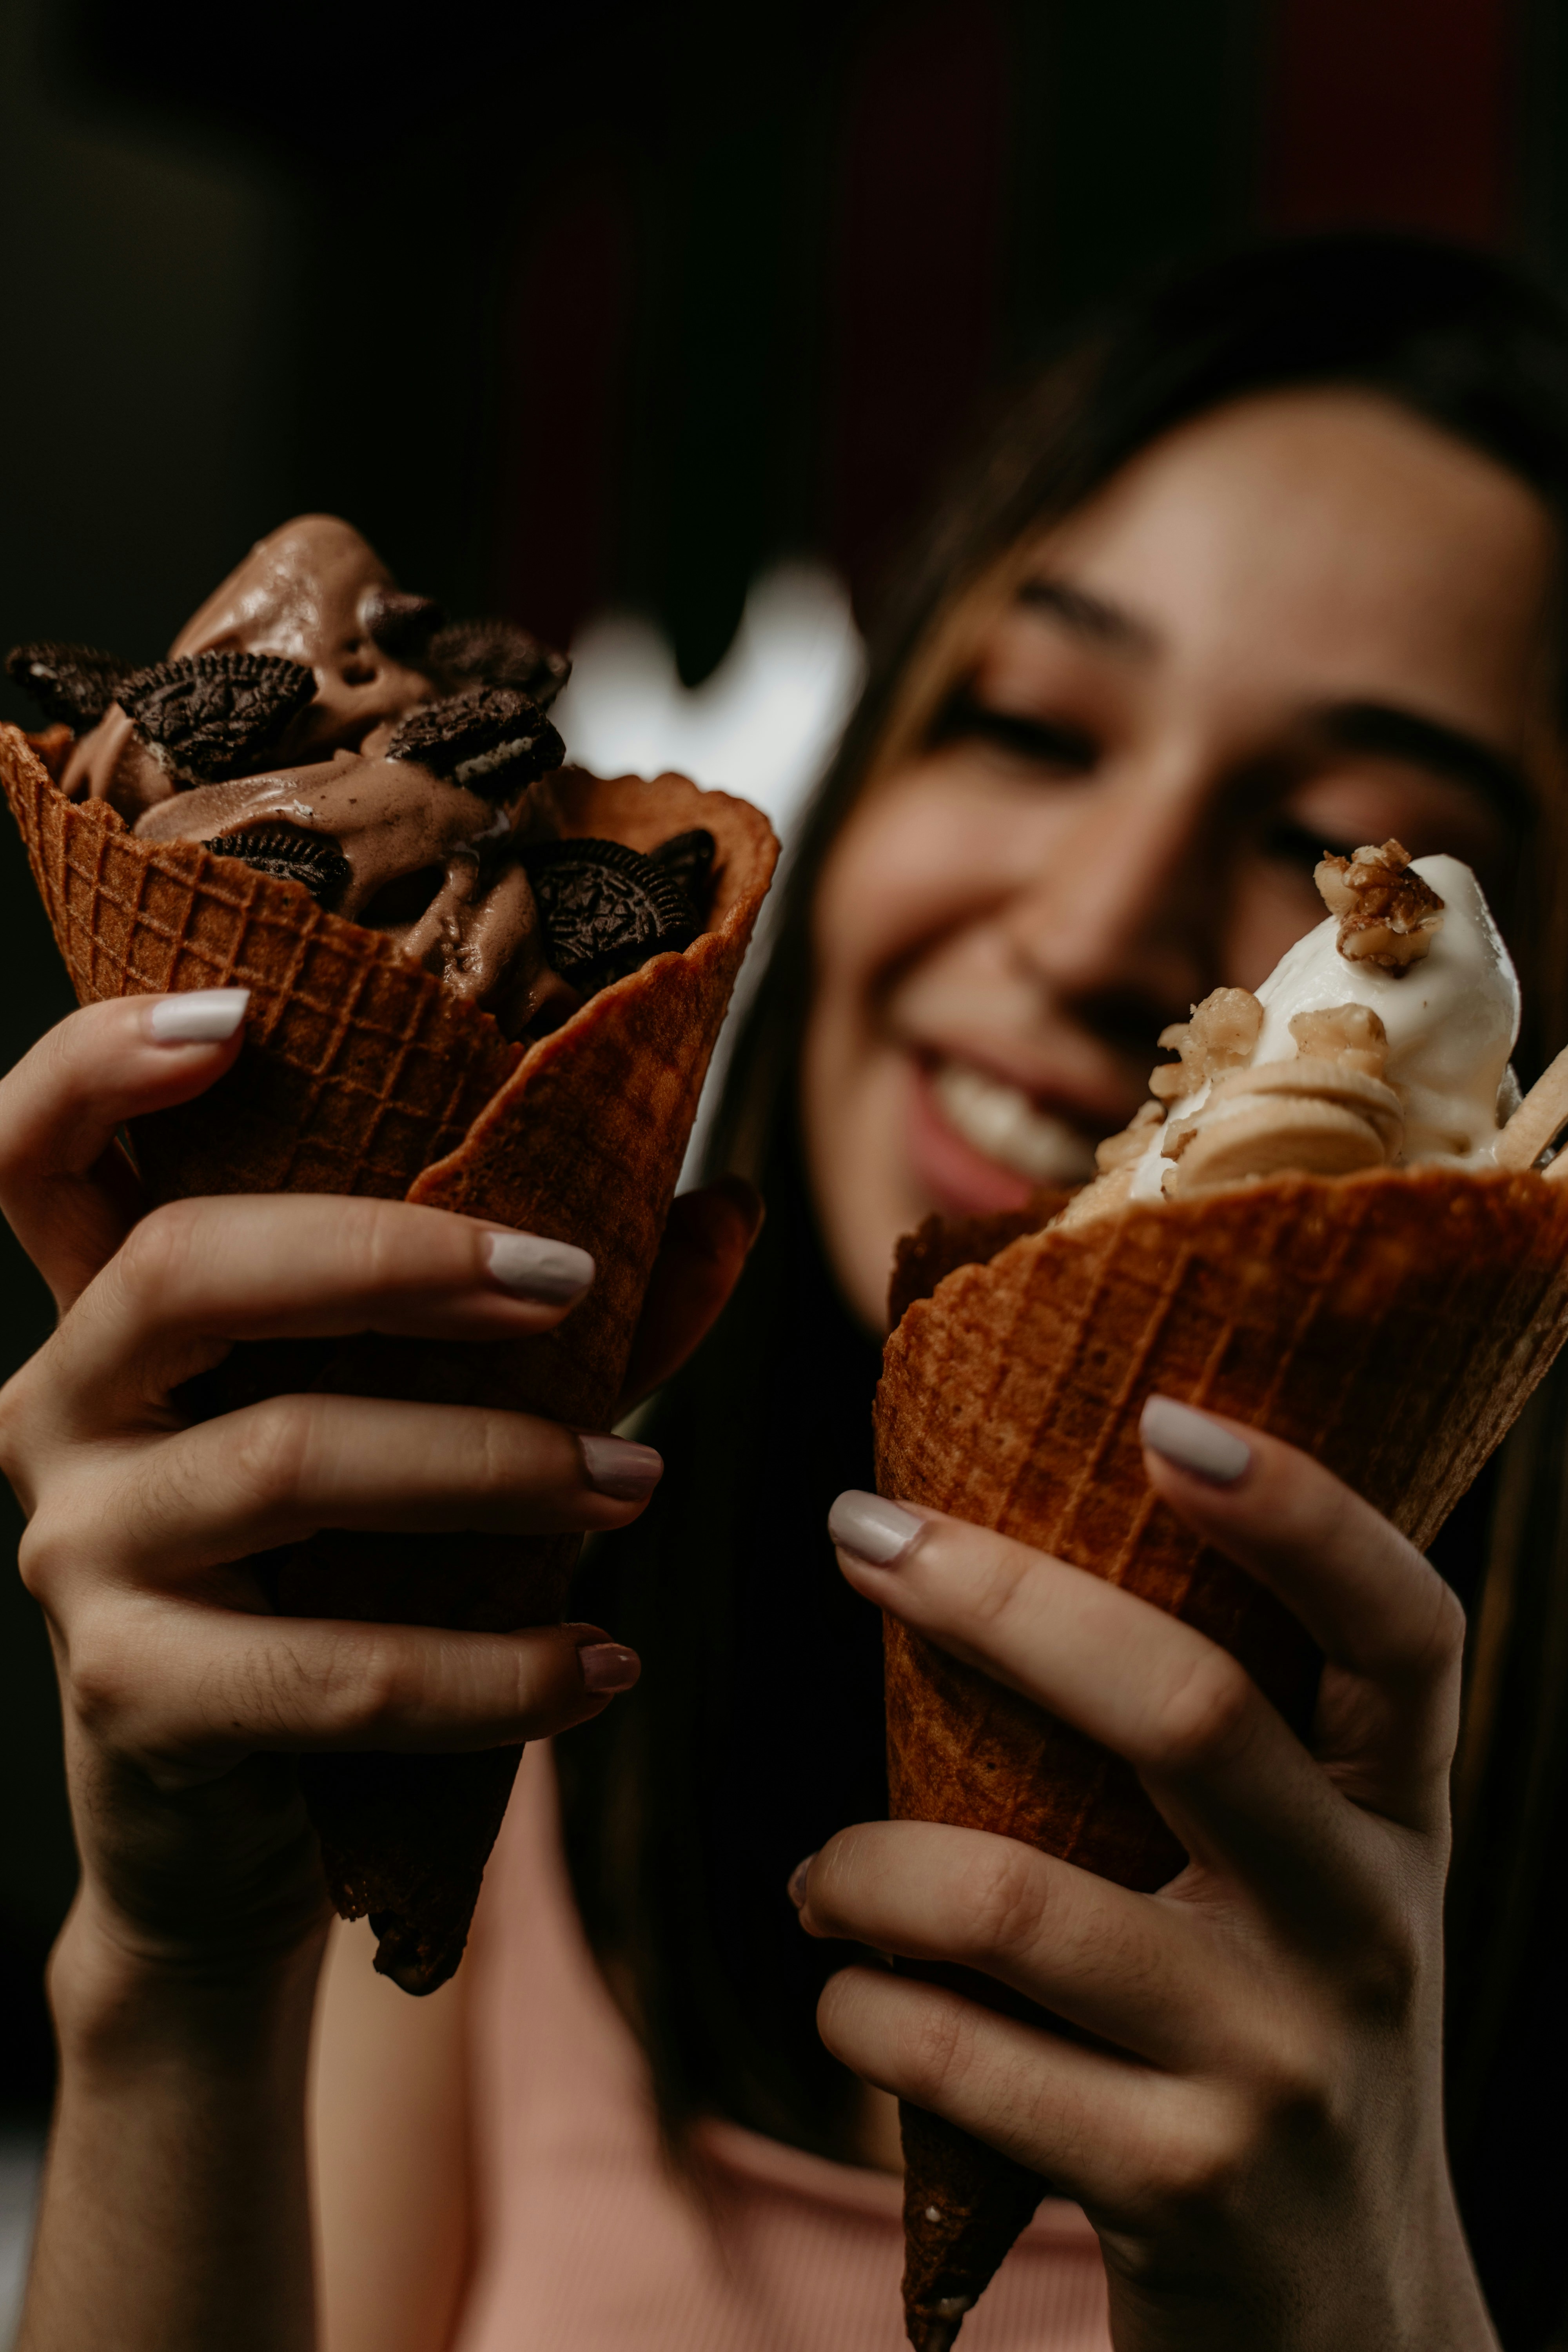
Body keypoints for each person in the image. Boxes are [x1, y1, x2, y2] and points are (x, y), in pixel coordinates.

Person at [4, 231, 1567, 2352]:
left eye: (1343, 847)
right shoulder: (539, 1714)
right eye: (1028, 725)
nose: (1104, 925)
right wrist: (178, 1980)